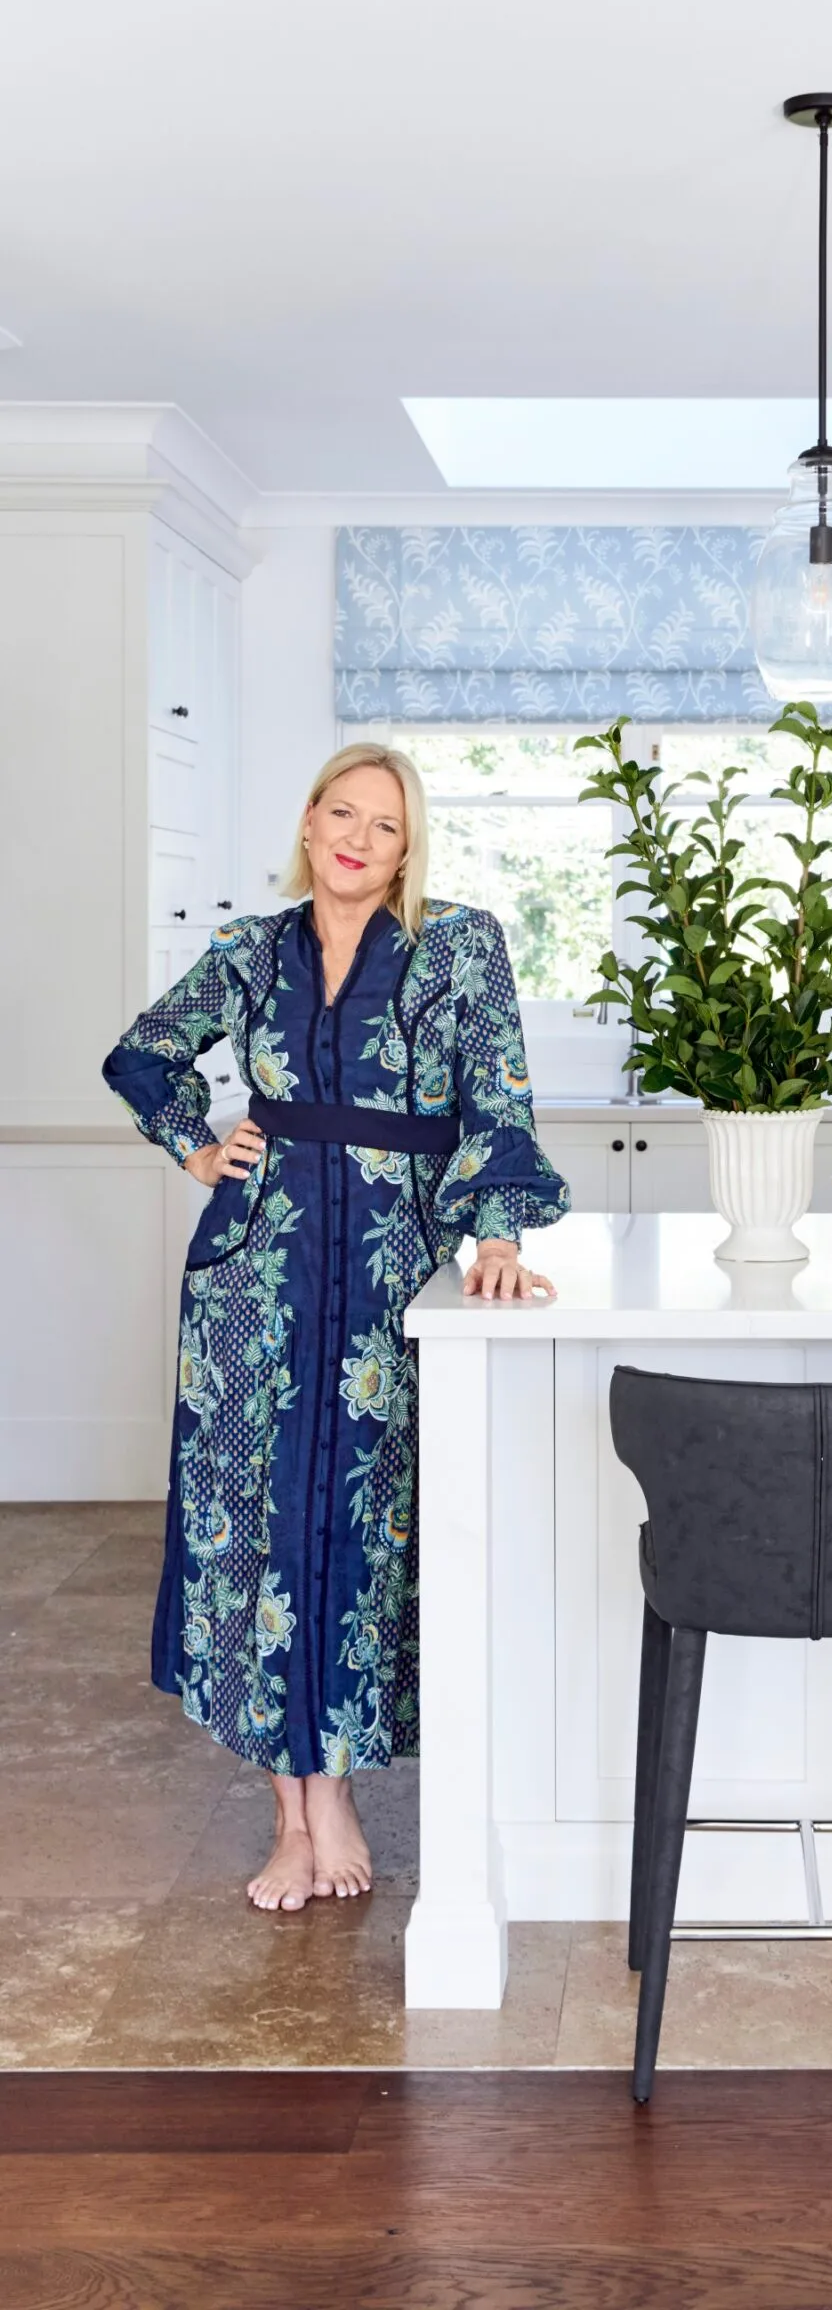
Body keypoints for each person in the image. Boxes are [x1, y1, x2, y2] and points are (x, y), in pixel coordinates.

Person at [102, 744, 568, 1913]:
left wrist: (496, 1235)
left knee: (360, 1527)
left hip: (388, 1278)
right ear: (310, 820)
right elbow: (143, 1053)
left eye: (386, 826)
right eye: (344, 813)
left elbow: (498, 1100)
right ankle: (289, 1813)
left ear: (409, 850)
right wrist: (197, 1146)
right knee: (261, 1532)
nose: (359, 838)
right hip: (253, 1278)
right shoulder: (248, 949)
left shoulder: (459, 945)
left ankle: (339, 1788)